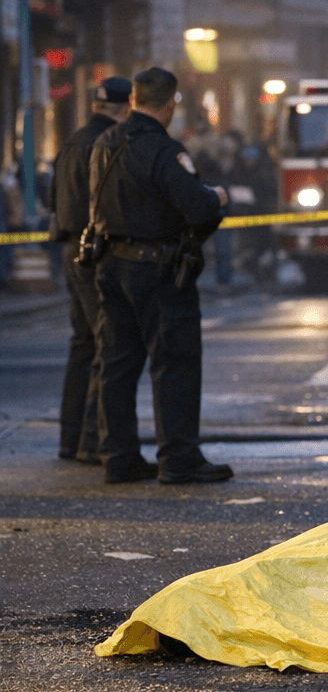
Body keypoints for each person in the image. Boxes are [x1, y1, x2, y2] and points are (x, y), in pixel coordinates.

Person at [91, 67, 229, 485]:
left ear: (132, 100)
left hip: (109, 265)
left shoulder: (104, 143)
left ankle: (118, 457)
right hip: (158, 270)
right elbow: (199, 209)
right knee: (175, 363)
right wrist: (216, 197)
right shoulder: (163, 151)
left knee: (115, 364)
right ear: (170, 106)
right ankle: (179, 458)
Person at [48, 76, 132, 463]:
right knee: (108, 344)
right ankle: (93, 439)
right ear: (125, 107)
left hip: (69, 249)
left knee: (83, 345)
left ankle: (71, 437)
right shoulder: (105, 143)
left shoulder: (72, 141)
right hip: (93, 253)